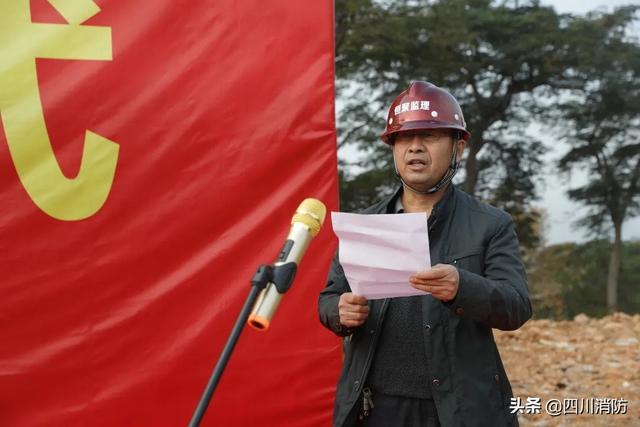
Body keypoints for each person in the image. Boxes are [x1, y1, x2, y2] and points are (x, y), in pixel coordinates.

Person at [318, 81, 532, 427]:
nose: (415, 147)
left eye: (430, 136)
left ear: (458, 147)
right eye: (403, 138)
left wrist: (462, 287)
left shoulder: (490, 224)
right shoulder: (366, 225)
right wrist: (339, 310)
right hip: (374, 409)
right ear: (392, 148)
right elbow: (329, 297)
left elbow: (517, 306)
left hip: (457, 411)